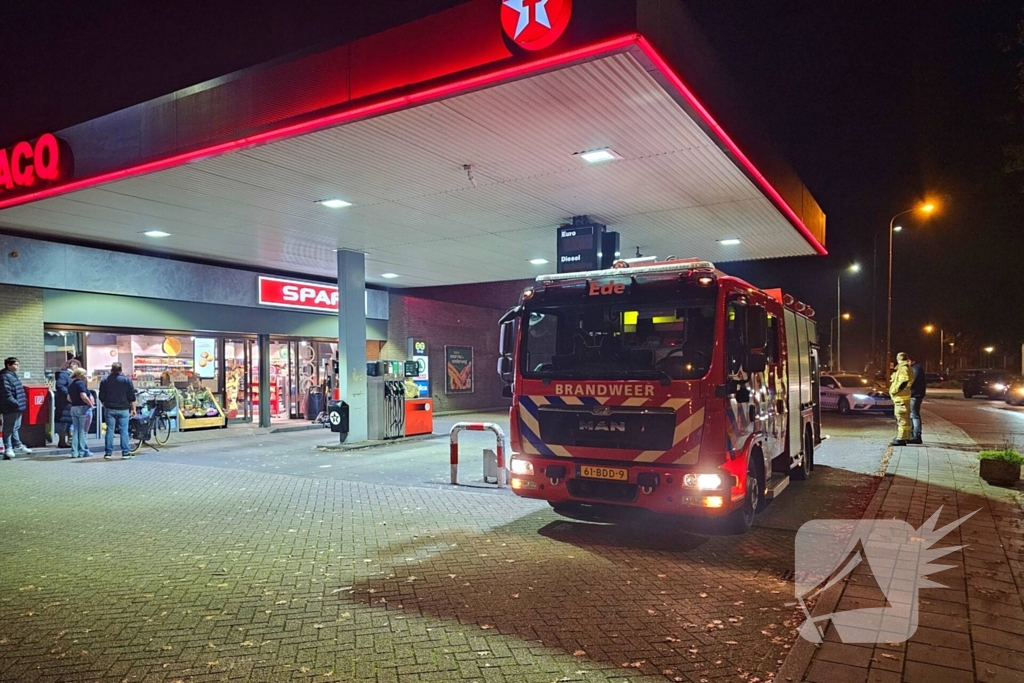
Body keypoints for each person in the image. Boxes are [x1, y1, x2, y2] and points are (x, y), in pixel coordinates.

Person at [99, 362, 137, 459]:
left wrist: (105, 405)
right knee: (124, 430)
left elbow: (101, 396)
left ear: (111, 369)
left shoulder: (105, 381)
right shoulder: (126, 380)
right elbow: (131, 396)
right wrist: (133, 409)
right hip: (123, 409)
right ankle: (125, 453)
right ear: (121, 369)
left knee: (110, 430)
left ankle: (108, 453)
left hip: (110, 409)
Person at [0, 357, 32, 458]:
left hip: (18, 406)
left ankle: (17, 445)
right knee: (9, 428)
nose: (18, 367)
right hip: (10, 407)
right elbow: (6, 393)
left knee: (15, 427)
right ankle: (8, 447)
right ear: (9, 365)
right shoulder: (4, 377)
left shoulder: (13, 375)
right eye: (15, 364)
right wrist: (16, 403)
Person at [54, 357, 82, 449]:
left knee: (69, 421)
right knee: (64, 421)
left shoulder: (72, 375)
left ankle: (69, 440)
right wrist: (68, 394)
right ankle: (62, 441)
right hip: (65, 402)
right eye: (74, 364)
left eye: (77, 365)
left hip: (70, 401)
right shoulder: (64, 375)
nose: (76, 366)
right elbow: (60, 385)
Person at [68, 366, 95, 458]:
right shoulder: (81, 384)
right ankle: (83, 451)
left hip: (74, 408)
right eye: (85, 374)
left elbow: (68, 398)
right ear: (81, 375)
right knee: (83, 431)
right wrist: (90, 404)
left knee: (76, 430)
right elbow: (83, 396)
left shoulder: (71, 384)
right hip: (83, 408)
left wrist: (75, 402)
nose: (87, 376)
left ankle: (74, 452)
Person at [889, 352, 912, 447]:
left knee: (901, 418)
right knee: (904, 418)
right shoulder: (906, 367)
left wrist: (894, 391)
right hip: (903, 398)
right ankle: (904, 437)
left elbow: (903, 382)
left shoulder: (903, 368)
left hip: (901, 398)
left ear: (898, 359)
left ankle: (901, 439)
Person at [908, 355, 926, 445]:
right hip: (915, 394)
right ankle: (914, 435)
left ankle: (916, 436)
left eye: (908, 361)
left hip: (915, 395)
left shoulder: (916, 369)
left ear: (912, 360)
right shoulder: (916, 368)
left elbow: (911, 381)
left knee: (914, 415)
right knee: (913, 415)